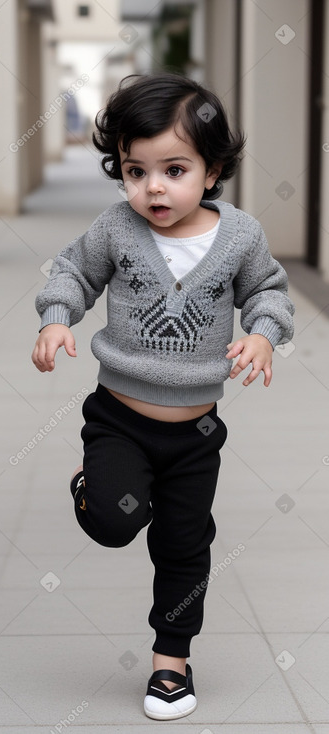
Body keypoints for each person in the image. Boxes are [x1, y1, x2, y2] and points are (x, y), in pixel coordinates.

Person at [31, 72, 295, 721]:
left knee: (183, 543)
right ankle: (90, 485)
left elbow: (267, 291)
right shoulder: (116, 230)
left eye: (173, 169)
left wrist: (263, 334)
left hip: (195, 434)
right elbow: (71, 271)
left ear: (211, 170)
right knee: (116, 522)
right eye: (134, 169)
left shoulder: (237, 237)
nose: (153, 187)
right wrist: (57, 316)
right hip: (119, 417)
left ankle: (170, 662)